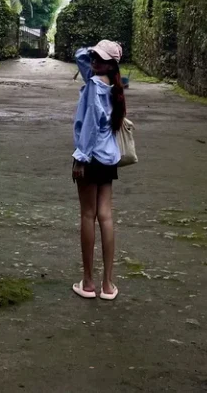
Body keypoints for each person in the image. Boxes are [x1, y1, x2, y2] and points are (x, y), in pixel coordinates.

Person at [71, 39, 126, 301]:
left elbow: (90, 125)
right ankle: (108, 284)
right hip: (108, 157)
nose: (93, 60)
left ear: (110, 63)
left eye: (100, 59)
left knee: (87, 215)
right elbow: (81, 56)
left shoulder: (94, 85)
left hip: (91, 156)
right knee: (105, 216)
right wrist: (98, 53)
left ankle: (89, 282)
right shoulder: (114, 84)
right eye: (94, 57)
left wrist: (80, 159)